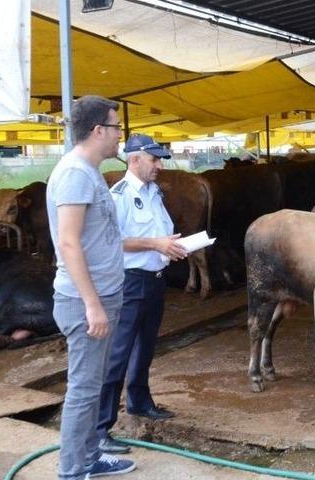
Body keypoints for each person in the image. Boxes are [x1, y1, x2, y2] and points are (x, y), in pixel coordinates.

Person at [46, 95, 135, 479]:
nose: (120, 136)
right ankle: (72, 471)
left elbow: (101, 236)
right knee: (83, 390)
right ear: (99, 130)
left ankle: (88, 457)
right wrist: (92, 304)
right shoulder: (75, 174)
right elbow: (68, 242)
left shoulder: (89, 171)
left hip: (101, 295)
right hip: (86, 301)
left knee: (92, 384)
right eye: (117, 128)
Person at [96, 133, 187, 454]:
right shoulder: (117, 196)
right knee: (118, 353)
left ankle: (139, 400)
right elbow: (113, 241)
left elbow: (159, 230)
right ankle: (101, 427)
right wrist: (155, 244)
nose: (160, 165)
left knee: (146, 345)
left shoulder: (154, 193)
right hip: (130, 281)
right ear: (135, 159)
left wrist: (172, 246)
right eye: (154, 159)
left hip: (155, 278)